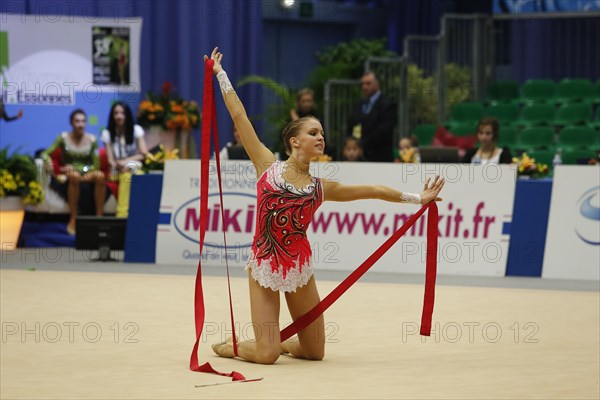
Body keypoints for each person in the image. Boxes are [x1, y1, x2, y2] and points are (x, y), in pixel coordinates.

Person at [205, 47, 445, 365]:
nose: (321, 138)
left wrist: (417, 199)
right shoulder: (267, 165)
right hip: (265, 264)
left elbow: (372, 190)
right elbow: (239, 116)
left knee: (315, 353)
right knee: (266, 356)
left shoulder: (321, 187)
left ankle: (281, 341)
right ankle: (234, 346)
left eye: (322, 134)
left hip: (298, 267)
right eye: (313, 132)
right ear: (294, 140)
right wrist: (221, 74)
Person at [41, 109, 106, 235]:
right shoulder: (63, 137)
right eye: (77, 121)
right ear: (71, 123)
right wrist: (49, 162)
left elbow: (95, 164)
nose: (80, 124)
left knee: (100, 175)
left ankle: (100, 217)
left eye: (83, 121)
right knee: (74, 175)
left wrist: (83, 170)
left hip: (87, 172)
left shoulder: (92, 140)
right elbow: (45, 153)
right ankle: (73, 218)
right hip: (70, 172)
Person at [101, 101, 148, 217]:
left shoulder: (136, 130)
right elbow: (110, 160)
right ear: (112, 116)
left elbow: (144, 154)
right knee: (127, 175)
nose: (119, 116)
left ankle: (141, 214)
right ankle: (122, 214)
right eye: (116, 113)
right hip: (116, 169)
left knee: (138, 175)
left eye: (122, 113)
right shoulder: (107, 133)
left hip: (133, 165)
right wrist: (119, 165)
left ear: (127, 115)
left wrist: (125, 162)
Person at [347, 71, 397, 162]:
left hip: (380, 157)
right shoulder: (359, 104)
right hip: (359, 157)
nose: (364, 87)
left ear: (377, 84)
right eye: (362, 84)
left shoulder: (388, 104)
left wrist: (363, 143)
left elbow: (384, 129)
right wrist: (352, 143)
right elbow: (351, 124)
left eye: (368, 84)